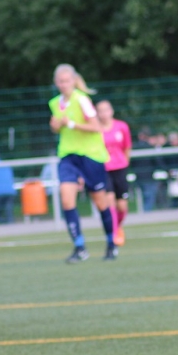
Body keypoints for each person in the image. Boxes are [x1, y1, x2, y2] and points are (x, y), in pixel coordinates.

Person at [48, 64, 117, 263]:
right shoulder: (54, 103)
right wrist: (55, 126)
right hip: (68, 156)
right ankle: (80, 247)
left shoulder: (82, 100)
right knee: (66, 200)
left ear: (73, 80)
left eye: (67, 81)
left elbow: (95, 127)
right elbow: (58, 128)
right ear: (56, 83)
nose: (63, 84)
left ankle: (111, 243)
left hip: (90, 155)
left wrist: (70, 124)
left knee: (100, 202)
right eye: (60, 81)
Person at [96, 100, 132, 246]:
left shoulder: (121, 127)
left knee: (122, 206)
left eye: (106, 110)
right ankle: (114, 233)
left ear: (111, 111)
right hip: (103, 169)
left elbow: (127, 147)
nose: (103, 113)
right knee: (109, 201)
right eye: (100, 111)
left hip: (120, 168)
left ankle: (118, 226)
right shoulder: (95, 129)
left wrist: (125, 163)